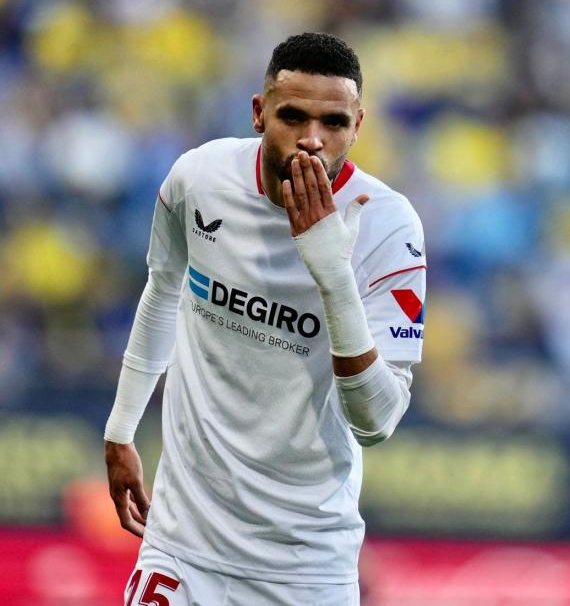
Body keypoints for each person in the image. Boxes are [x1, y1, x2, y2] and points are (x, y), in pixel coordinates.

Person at [104, 32, 426, 605]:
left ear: (358, 126)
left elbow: (376, 421)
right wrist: (121, 428)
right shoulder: (198, 178)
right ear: (259, 113)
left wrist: (332, 273)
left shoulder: (388, 227)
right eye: (293, 116)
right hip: (183, 544)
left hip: (306, 565)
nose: (311, 140)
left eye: (333, 122)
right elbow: (163, 290)